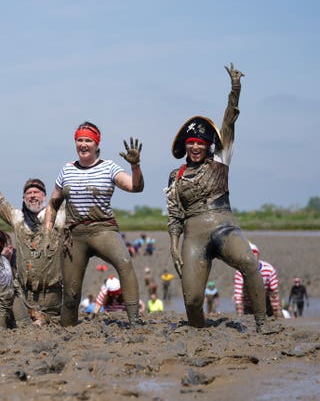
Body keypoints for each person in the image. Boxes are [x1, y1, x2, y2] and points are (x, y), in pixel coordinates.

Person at [165, 63, 269, 332]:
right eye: (192, 142)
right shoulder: (176, 176)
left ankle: (262, 324)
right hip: (194, 235)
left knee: (248, 262)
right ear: (185, 146)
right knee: (192, 298)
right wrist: (174, 245)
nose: (196, 146)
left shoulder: (221, 161)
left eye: (201, 143)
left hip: (224, 226)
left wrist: (235, 91)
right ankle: (198, 332)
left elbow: (229, 122)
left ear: (209, 145)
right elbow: (174, 215)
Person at [43, 122, 144, 327]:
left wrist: (135, 166)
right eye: (79, 140)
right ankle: (67, 328)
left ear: (96, 144)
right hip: (75, 234)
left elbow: (135, 187)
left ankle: (134, 321)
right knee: (70, 292)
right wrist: (47, 232)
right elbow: (53, 204)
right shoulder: (67, 170)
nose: (83, 144)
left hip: (103, 229)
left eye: (88, 140)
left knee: (125, 263)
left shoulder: (109, 167)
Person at [0, 150, 65, 325]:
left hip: (54, 297)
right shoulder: (18, 219)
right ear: (24, 199)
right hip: (25, 296)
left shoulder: (59, 217)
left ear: (45, 197)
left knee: (49, 323)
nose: (33, 195)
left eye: (37, 192)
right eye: (28, 193)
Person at [234, 242, 281, 318]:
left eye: (253, 254)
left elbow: (274, 293)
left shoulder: (269, 269)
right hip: (248, 304)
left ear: (258, 255)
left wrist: (277, 314)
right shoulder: (240, 272)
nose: (251, 257)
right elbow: (238, 295)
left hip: (266, 303)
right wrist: (240, 316)